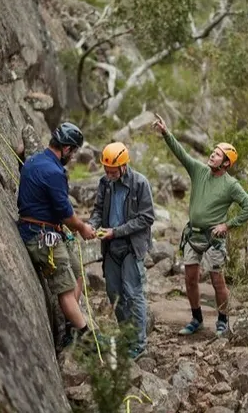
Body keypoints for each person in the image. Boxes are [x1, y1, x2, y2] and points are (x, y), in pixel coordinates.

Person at [152, 114, 248, 337]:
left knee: (217, 281)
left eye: (218, 154)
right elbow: (181, 154)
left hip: (214, 240)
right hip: (193, 235)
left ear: (226, 163)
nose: (212, 155)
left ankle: (222, 320)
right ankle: (196, 319)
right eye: (214, 151)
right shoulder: (199, 170)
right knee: (190, 279)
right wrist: (166, 133)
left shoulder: (231, 185)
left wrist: (227, 225)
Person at [17, 122, 97, 347]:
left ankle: (71, 324)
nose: (72, 157)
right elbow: (67, 215)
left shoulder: (33, 160)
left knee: (76, 271)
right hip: (40, 235)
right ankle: (85, 338)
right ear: (67, 148)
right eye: (73, 153)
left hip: (46, 230)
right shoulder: (54, 172)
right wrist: (83, 228)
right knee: (65, 288)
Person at [88, 142, 155, 360]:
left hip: (131, 246)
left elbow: (146, 218)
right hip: (111, 247)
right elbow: (98, 210)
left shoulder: (140, 183)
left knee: (133, 294)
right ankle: (127, 336)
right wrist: (92, 225)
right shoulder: (105, 183)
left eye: (113, 171)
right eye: (106, 171)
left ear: (123, 166)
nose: (109, 175)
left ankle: (139, 343)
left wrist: (115, 232)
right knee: (114, 294)